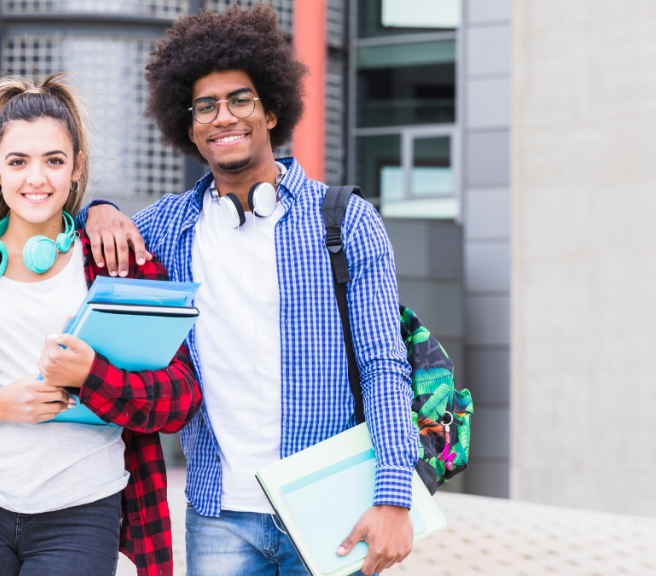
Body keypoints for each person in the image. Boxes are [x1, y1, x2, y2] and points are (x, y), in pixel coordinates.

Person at [79, 6, 419, 576]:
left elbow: (385, 363)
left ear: (270, 110)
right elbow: (93, 238)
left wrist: (393, 497)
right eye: (205, 106)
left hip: (331, 506)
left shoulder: (346, 221)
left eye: (240, 99)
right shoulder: (167, 228)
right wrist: (99, 209)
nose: (223, 117)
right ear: (188, 127)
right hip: (219, 517)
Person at [0, 73, 202, 576]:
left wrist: (92, 376)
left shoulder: (120, 262)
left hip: (83, 506)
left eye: (53, 161)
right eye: (18, 162)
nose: (36, 178)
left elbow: (179, 398)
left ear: (77, 169)